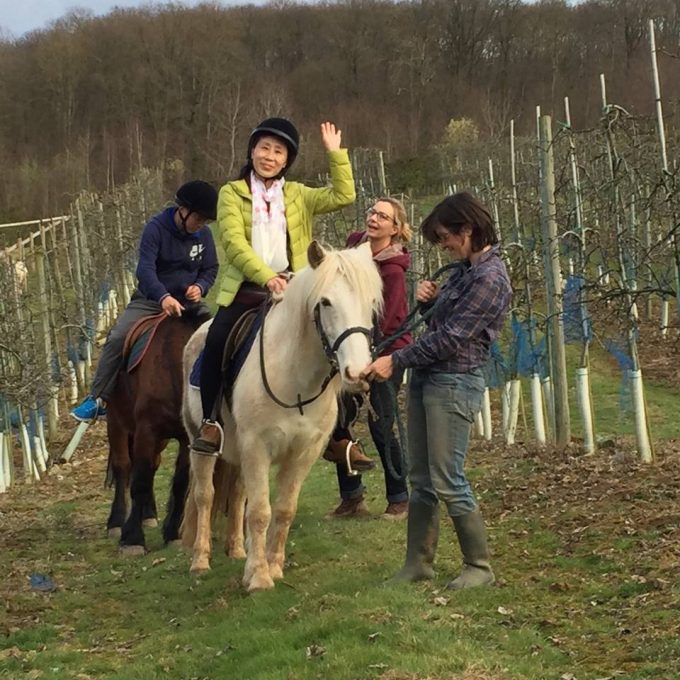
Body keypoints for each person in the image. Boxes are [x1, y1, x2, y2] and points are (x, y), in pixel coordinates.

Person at [362, 192, 512, 590]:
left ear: (468, 229)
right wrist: (430, 299)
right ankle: (418, 564)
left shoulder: (490, 278)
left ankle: (479, 567)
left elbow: (451, 338)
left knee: (448, 478)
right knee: (421, 479)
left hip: (454, 383)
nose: (443, 244)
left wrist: (396, 360)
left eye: (446, 236)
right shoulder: (465, 270)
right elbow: (437, 322)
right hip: (428, 377)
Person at [192, 118, 356, 454]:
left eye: (278, 151)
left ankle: (338, 434)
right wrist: (265, 275)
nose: (269, 155)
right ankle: (211, 423)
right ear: (252, 151)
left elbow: (344, 195)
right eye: (264, 147)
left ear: (287, 160)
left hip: (293, 290)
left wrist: (336, 154)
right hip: (248, 288)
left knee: (330, 339)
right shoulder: (230, 193)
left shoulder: (298, 194)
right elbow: (234, 243)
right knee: (217, 340)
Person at [70, 181, 219, 422]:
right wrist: (163, 297)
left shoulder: (204, 235)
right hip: (151, 300)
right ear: (183, 210)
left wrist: (200, 286)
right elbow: (146, 269)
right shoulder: (155, 229)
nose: (201, 224)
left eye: (206, 221)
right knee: (117, 336)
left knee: (215, 337)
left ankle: (218, 397)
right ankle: (97, 399)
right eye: (198, 218)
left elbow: (211, 268)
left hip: (189, 304)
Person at [324, 197, 413, 520]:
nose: (374, 219)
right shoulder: (353, 248)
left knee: (381, 425)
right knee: (337, 422)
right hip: (352, 347)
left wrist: (374, 360)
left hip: (386, 352)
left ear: (395, 228)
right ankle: (352, 497)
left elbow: (389, 323)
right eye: (372, 212)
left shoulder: (393, 271)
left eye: (383, 216)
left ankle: (399, 496)